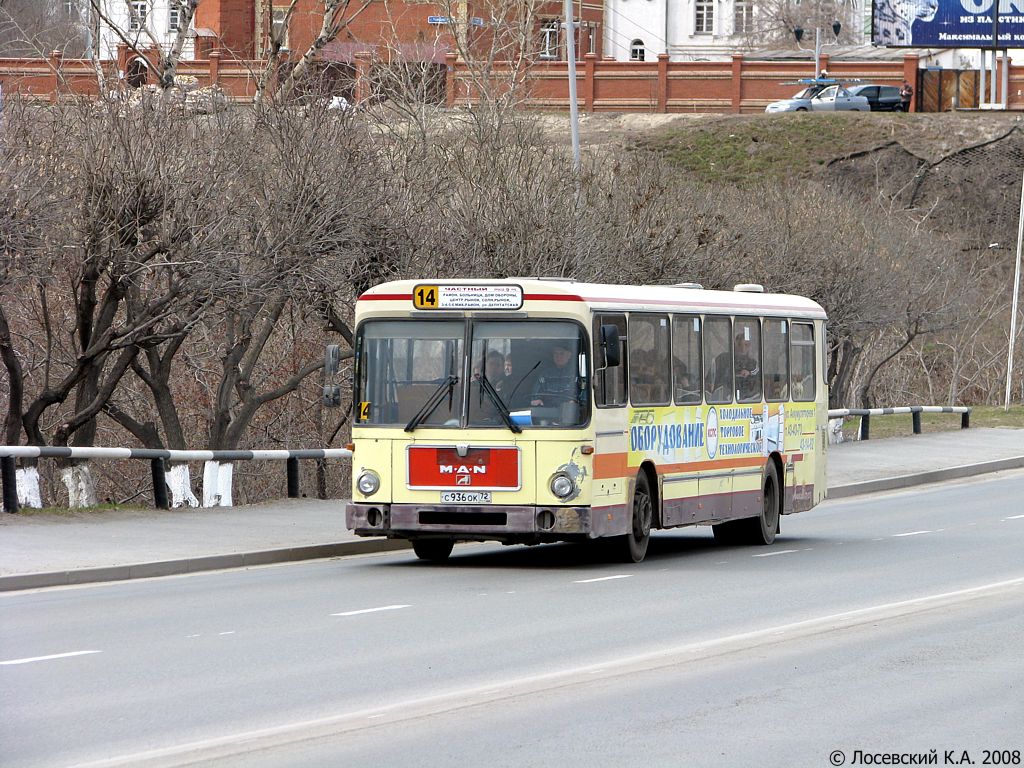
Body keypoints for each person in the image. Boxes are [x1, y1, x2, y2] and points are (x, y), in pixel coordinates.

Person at [530, 341, 581, 406]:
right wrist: (537, 400)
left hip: (570, 413)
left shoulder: (577, 373)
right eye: (555, 353)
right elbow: (535, 396)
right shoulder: (545, 375)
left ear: (569, 355)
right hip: (548, 412)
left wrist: (574, 402)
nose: (558, 356)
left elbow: (584, 394)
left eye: (562, 353)